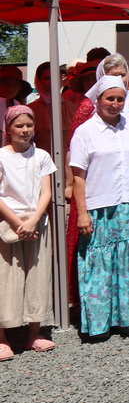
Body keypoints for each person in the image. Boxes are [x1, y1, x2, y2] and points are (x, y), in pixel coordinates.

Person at [69, 76, 129, 337]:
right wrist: (82, 212)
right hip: (100, 206)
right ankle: (99, 323)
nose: (115, 104)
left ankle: (126, 318)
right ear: (98, 100)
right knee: (100, 265)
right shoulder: (85, 132)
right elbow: (78, 177)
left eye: (120, 99)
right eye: (110, 98)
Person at [0, 106, 57, 357]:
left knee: (37, 275)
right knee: (6, 279)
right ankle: (2, 336)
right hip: (8, 222)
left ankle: (34, 332)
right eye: (19, 126)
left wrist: (34, 219)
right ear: (8, 129)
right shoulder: (1, 156)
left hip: (36, 223)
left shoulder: (42, 156)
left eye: (29, 125)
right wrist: (16, 221)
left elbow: (46, 191)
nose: (25, 130)